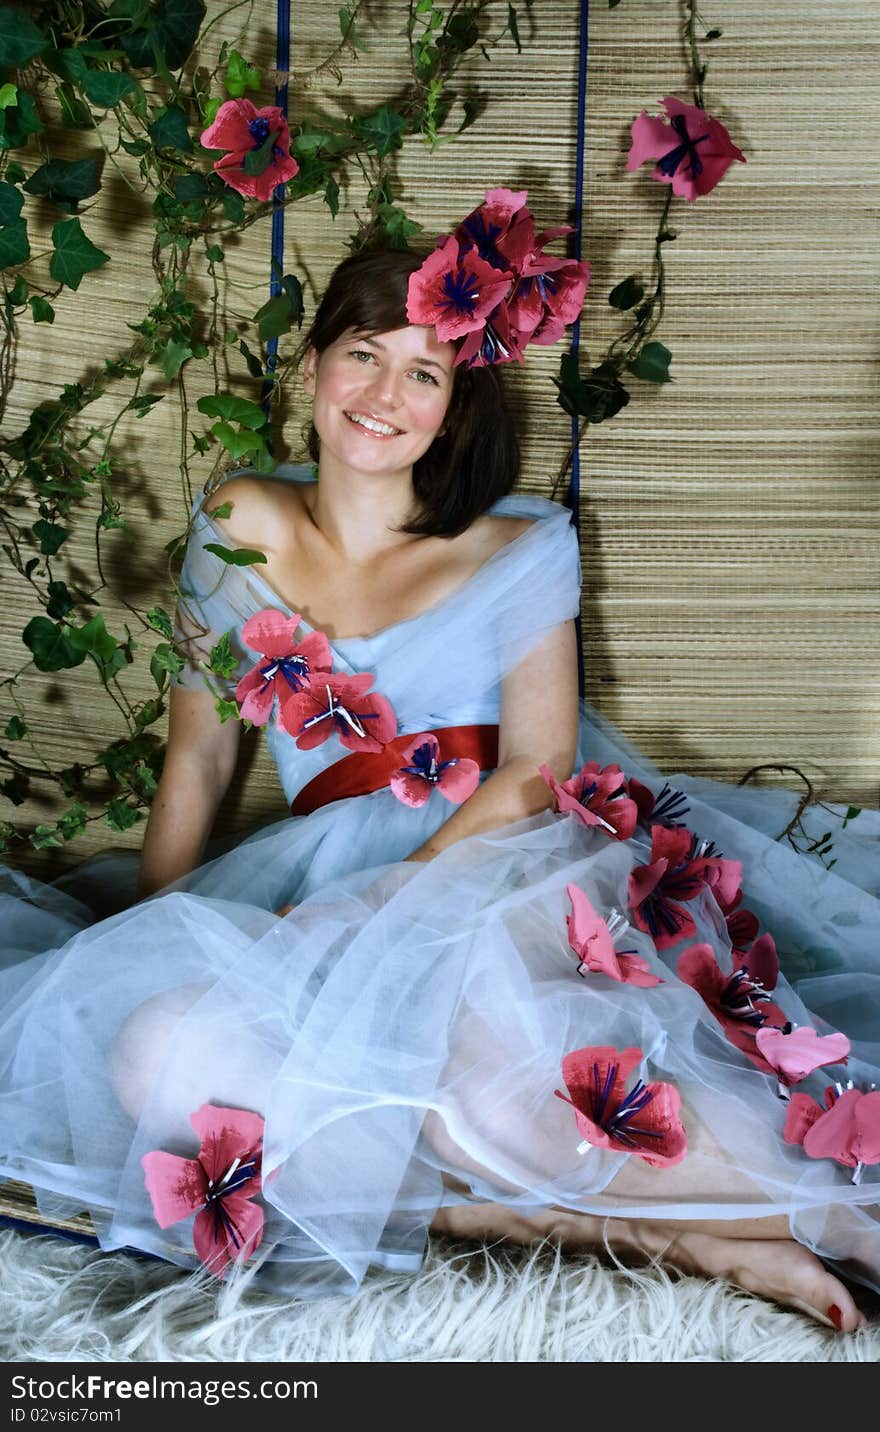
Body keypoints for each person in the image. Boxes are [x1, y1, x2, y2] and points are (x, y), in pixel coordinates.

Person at [1, 194, 878, 1333]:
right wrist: (157, 941)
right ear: (312, 362)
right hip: (309, 877)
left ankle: (839, 1215)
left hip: (492, 865)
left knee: (486, 1081)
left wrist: (388, 911)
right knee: (159, 1060)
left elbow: (537, 767)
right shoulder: (239, 521)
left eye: (424, 373)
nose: (383, 396)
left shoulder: (518, 543)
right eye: (364, 354)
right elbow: (198, 765)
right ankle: (665, 1238)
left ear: (457, 400)